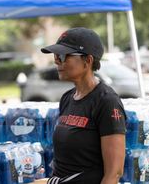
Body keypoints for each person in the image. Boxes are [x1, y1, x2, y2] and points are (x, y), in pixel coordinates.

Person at [41, 27, 126, 184]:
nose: (56, 61)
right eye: (56, 56)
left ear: (88, 60)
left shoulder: (107, 102)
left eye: (63, 55)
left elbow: (114, 173)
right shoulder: (67, 98)